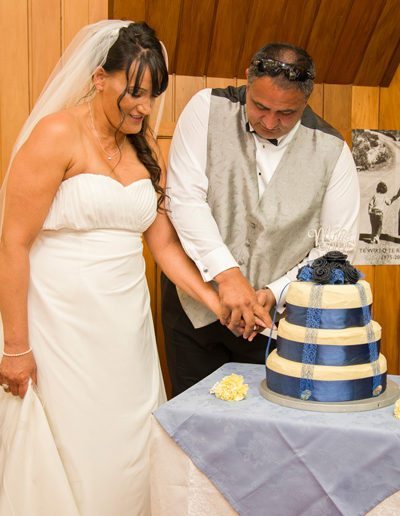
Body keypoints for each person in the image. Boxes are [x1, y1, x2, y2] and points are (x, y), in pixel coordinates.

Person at [0, 20, 229, 516]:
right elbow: (13, 243)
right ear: (100, 77)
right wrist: (15, 347)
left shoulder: (145, 150)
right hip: (60, 324)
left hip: (127, 330)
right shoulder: (56, 133)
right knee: (77, 444)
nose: (144, 108)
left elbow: (164, 249)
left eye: (152, 96)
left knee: (129, 447)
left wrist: (215, 300)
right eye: (135, 93)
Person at [163, 42, 360, 396]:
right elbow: (184, 198)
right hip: (195, 310)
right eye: (260, 106)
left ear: (306, 101)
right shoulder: (206, 108)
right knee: (193, 429)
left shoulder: (334, 151)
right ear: (248, 82)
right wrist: (227, 275)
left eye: (287, 113)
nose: (270, 122)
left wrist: (277, 291)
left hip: (276, 326)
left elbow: (336, 249)